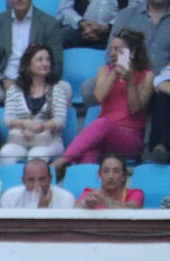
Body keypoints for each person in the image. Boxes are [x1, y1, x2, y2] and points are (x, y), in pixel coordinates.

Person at [53, 29, 153, 168]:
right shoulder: (105, 71)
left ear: (133, 52)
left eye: (118, 50)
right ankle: (86, 187)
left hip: (129, 137)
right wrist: (114, 75)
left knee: (102, 123)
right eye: (111, 49)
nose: (112, 53)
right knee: (89, 151)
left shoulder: (146, 75)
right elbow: (99, 97)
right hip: (103, 134)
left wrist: (130, 81)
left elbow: (135, 108)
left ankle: (62, 161)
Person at [0, 0, 64, 106]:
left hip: (38, 83)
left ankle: (44, 122)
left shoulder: (49, 23)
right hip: (4, 84)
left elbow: (56, 64)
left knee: (64, 89)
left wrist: (37, 81)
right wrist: (2, 81)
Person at [0, 43, 70, 165]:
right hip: (21, 138)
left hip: (49, 140)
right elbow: (9, 119)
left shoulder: (57, 90)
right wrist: (25, 124)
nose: (45, 63)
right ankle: (9, 183)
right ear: (28, 64)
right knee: (6, 153)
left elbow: (60, 121)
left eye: (47, 60)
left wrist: (39, 128)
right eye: (40, 59)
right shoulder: (14, 90)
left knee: (36, 155)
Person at [0, 156, 76, 206]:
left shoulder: (66, 198)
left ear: (50, 179)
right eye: (31, 180)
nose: (37, 185)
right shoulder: (9, 196)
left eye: (42, 179)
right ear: (23, 181)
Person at [75, 151, 145, 206]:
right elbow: (76, 209)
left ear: (123, 176)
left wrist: (105, 202)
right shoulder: (90, 193)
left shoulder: (135, 194)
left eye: (116, 171)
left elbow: (132, 208)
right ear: (99, 175)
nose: (110, 176)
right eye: (106, 171)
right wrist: (85, 203)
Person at [57, 0, 121, 48]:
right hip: (81, 28)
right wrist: (82, 23)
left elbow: (129, 12)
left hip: (112, 31)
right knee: (60, 37)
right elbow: (64, 9)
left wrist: (108, 27)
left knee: (124, 40)